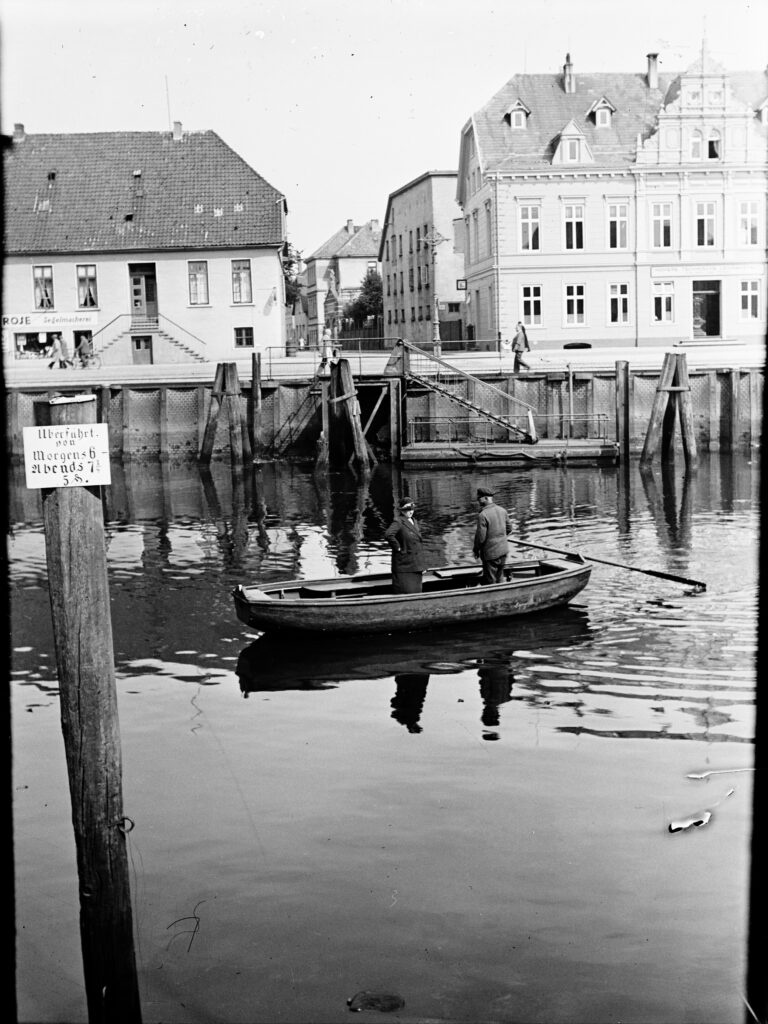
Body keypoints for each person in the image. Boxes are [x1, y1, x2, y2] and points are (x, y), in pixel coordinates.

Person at [384, 497, 426, 594]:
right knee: (406, 591)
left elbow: (418, 545)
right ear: (402, 510)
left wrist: (422, 565)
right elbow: (388, 535)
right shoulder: (398, 521)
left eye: (412, 509)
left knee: (416, 591)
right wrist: (397, 547)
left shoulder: (414, 521)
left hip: (415, 564)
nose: (410, 512)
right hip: (404, 565)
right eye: (407, 509)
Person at [473, 486, 513, 584]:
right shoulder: (502, 510)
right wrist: (500, 538)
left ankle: (494, 597)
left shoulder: (483, 515)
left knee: (490, 580)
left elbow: (481, 538)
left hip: (490, 554)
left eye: (479, 498)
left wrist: (476, 549)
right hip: (503, 550)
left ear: (486, 498)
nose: (478, 501)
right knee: (499, 576)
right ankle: (503, 594)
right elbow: (509, 528)